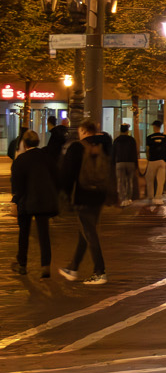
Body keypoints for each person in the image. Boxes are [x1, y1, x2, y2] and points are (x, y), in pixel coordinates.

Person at [59, 121, 109, 285]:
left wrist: (65, 194)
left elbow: (67, 174)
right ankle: (73, 268)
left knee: (89, 233)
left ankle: (99, 271)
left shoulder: (76, 148)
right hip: (100, 194)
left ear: (83, 131)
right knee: (86, 231)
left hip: (83, 195)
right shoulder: (106, 145)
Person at [11, 129, 58, 278]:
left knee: (24, 233)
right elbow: (56, 176)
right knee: (44, 234)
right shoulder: (46, 157)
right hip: (43, 200)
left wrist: (15, 201)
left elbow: (17, 184)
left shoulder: (21, 160)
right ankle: (45, 265)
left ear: (24, 143)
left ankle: (22, 264)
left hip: (26, 201)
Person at [144, 120, 166, 208]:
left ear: (154, 127)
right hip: (162, 161)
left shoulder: (149, 137)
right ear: (160, 127)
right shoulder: (165, 137)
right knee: (160, 180)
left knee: (149, 179)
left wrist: (148, 158)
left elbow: (147, 149)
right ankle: (158, 197)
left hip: (152, 160)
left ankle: (151, 196)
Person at [113, 123, 140, 207]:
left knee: (121, 181)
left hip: (120, 163)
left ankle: (123, 199)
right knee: (129, 181)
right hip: (130, 163)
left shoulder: (116, 140)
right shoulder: (131, 140)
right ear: (127, 130)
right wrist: (136, 164)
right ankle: (128, 198)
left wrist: (113, 163)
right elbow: (135, 153)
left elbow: (113, 153)